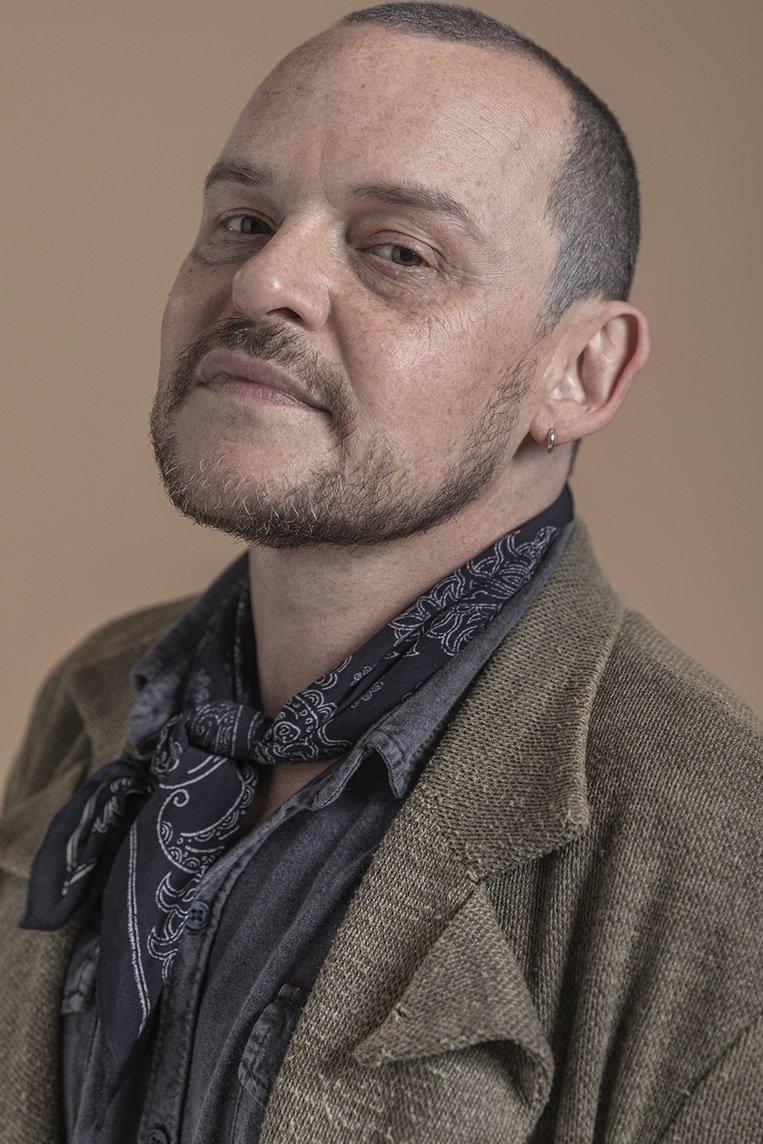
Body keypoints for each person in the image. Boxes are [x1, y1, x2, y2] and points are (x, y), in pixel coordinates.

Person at [1, 3, 760, 1142]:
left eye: (398, 251)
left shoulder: (720, 857)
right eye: (242, 221)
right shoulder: (98, 696)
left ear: (581, 372)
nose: (264, 282)